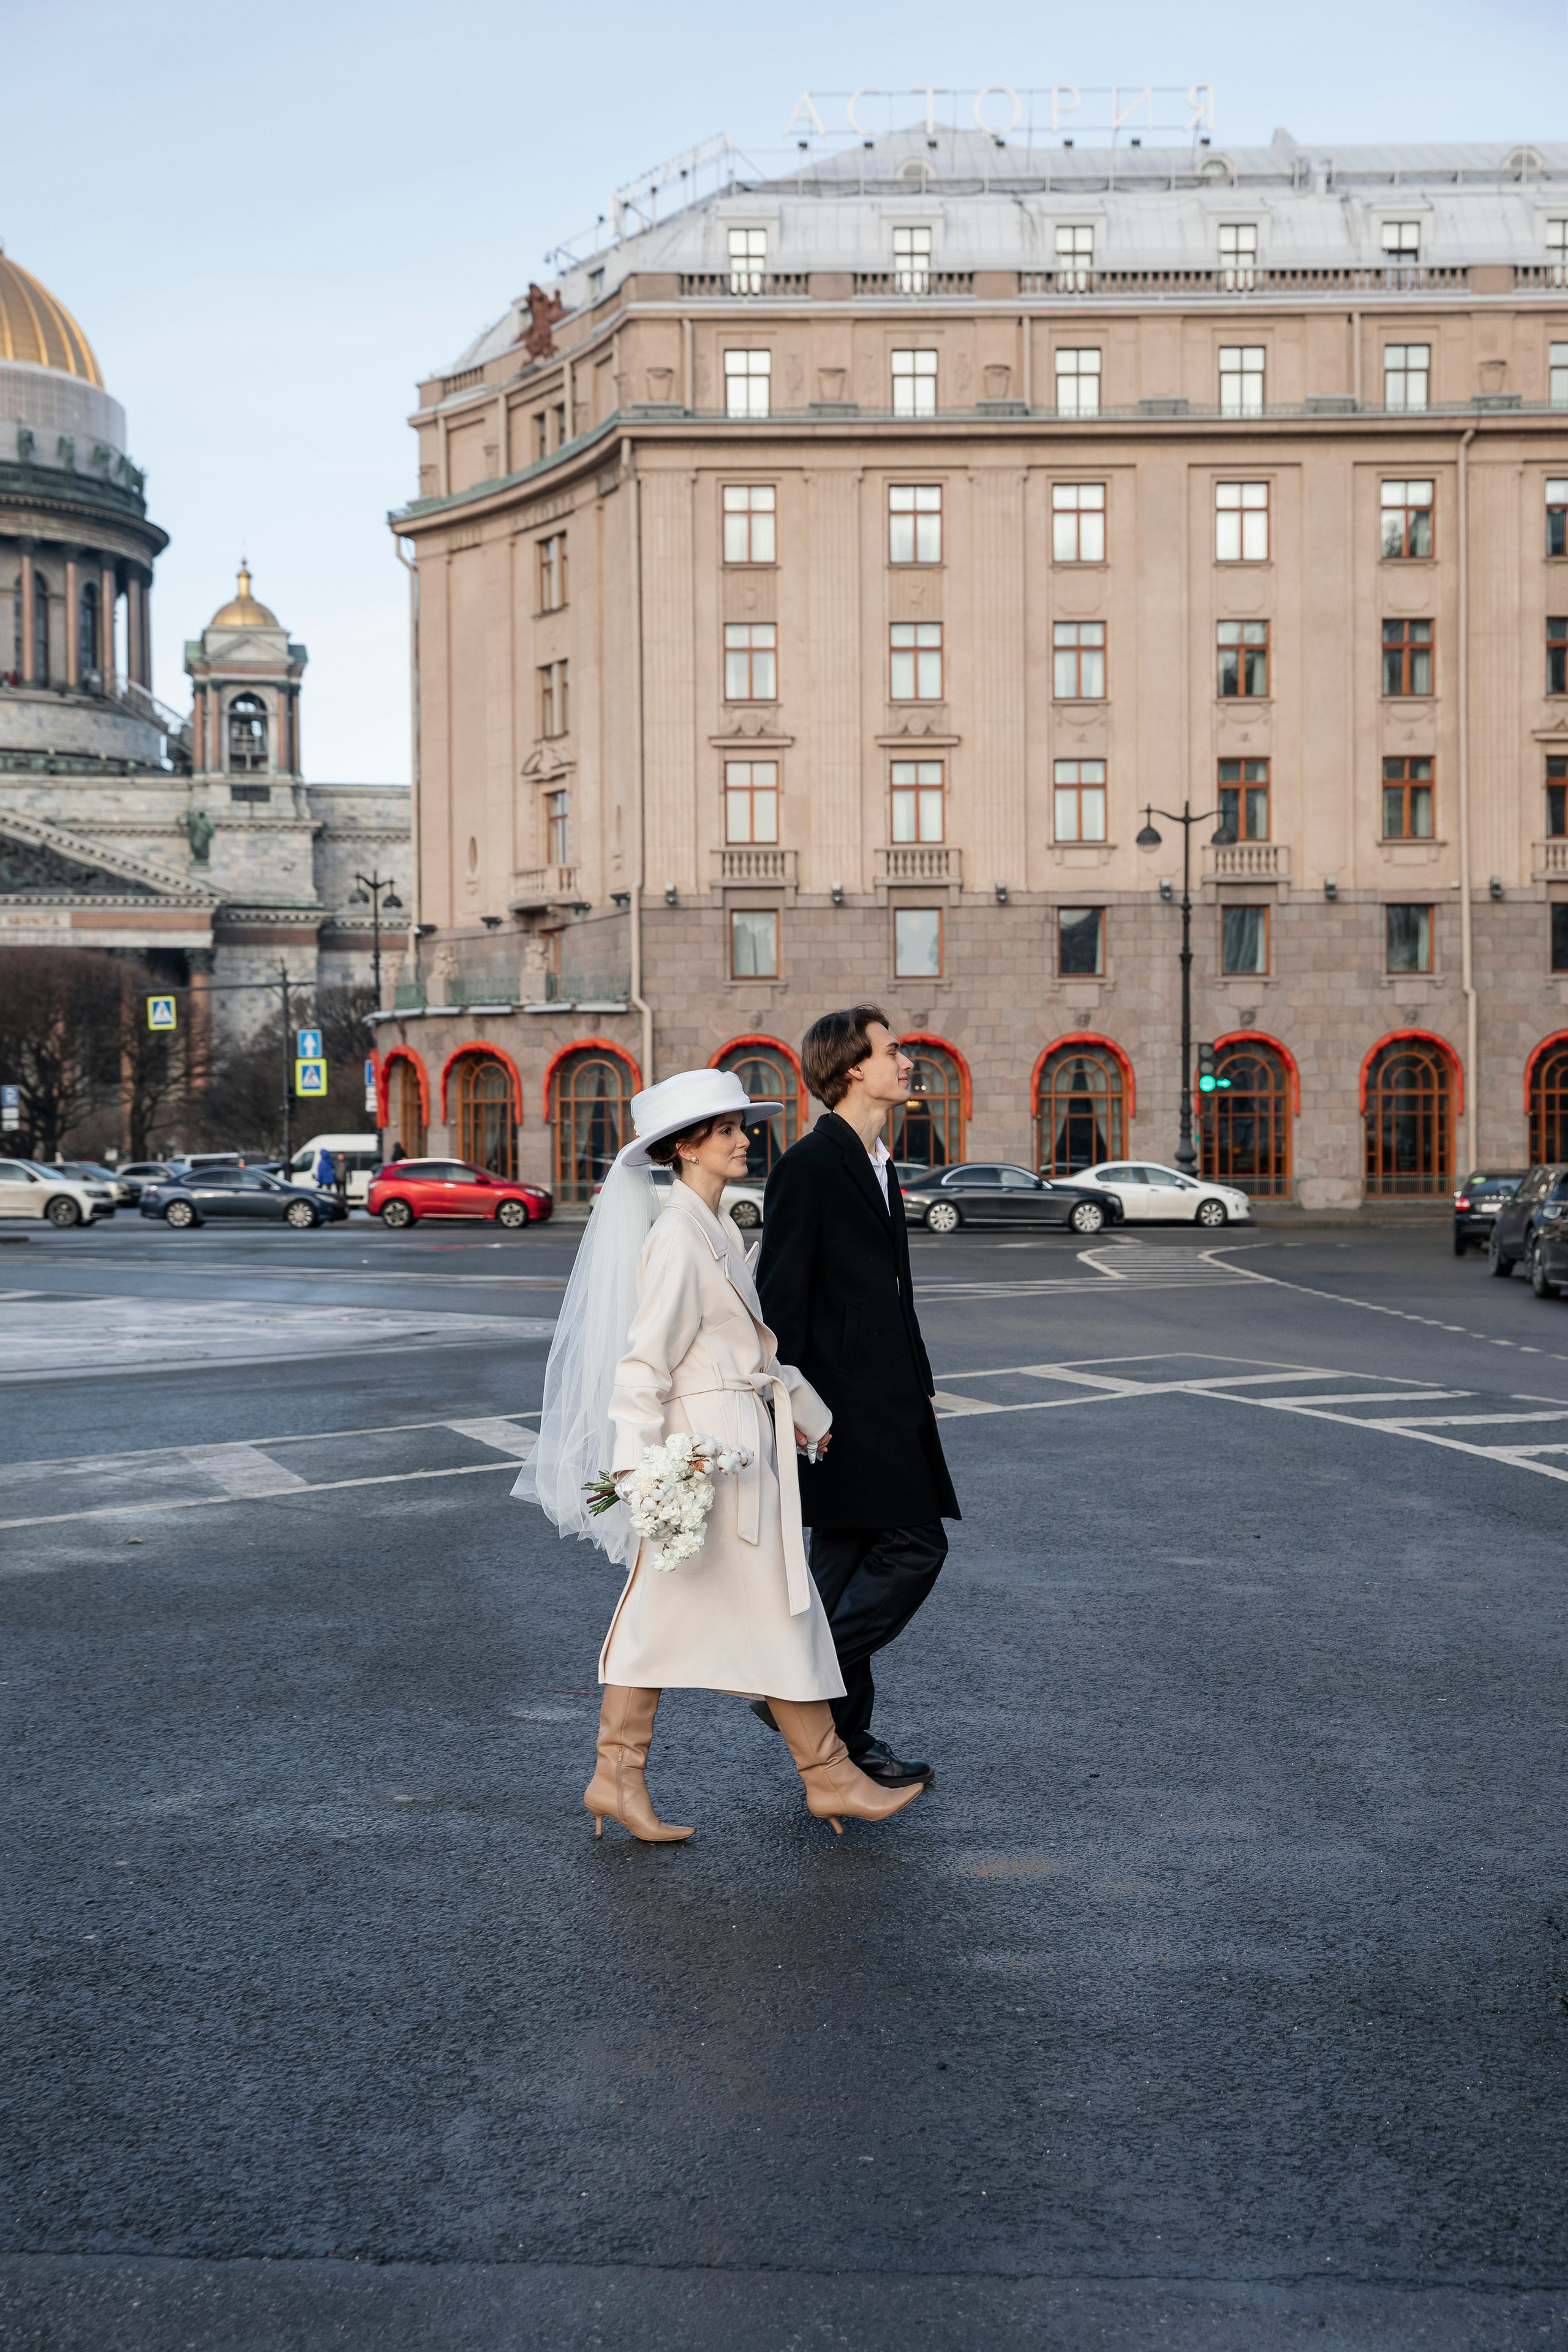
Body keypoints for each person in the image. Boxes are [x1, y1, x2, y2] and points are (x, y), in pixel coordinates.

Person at [515, 1066, 924, 1844]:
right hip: (706, 1462)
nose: (746, 1139)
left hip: (737, 1452)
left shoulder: (718, 1228)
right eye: (728, 1130)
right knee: (765, 1616)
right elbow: (642, 1367)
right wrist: (640, 1474)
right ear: (685, 1148)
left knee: (728, 1619)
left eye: (742, 1126)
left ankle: (620, 1777)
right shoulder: (676, 1237)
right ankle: (824, 1775)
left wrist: (804, 1412)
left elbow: (752, 1352)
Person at [756, 1007, 959, 1789]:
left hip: (888, 1400)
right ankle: (797, 1688)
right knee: (915, 1547)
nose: (906, 1060)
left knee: (836, 1573)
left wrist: (918, 1382)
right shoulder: (808, 1167)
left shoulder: (879, 1160)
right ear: (852, 1070)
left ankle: (844, 1745)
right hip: (842, 1416)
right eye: (892, 1050)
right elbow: (781, 1305)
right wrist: (800, 1414)